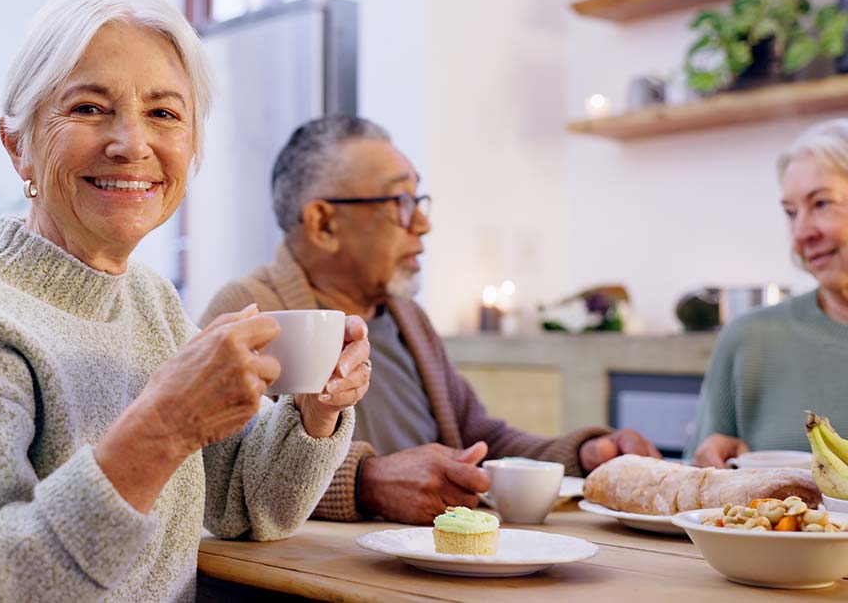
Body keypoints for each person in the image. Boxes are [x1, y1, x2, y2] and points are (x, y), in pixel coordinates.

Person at [0, 0, 372, 602]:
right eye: (90, 108)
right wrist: (161, 430)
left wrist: (314, 413)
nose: (131, 144)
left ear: (192, 149)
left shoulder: (150, 300)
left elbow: (244, 505)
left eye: (164, 114)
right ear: (19, 144)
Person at [200, 116, 659, 525]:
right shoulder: (248, 309)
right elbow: (221, 473)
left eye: (418, 199)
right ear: (323, 224)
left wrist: (581, 456)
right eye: (400, 201)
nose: (422, 223)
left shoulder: (407, 317)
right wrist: (367, 481)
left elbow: (481, 440)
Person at [688, 119, 848, 468]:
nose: (801, 232)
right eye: (791, 213)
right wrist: (708, 463)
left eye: (821, 203)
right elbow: (696, 484)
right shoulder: (749, 339)